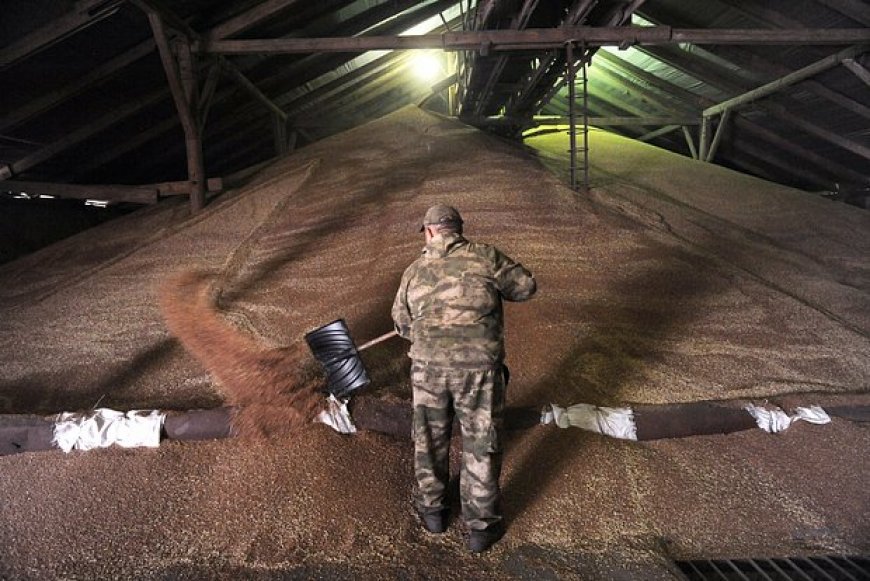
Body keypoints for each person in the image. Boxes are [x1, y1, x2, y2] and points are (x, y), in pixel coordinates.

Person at [391, 204, 536, 553]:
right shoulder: (486, 257)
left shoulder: (414, 271)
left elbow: (401, 324)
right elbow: (526, 287)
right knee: (481, 444)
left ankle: (433, 513)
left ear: (428, 232)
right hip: (479, 372)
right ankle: (482, 528)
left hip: (428, 371)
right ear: (458, 229)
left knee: (429, 440)